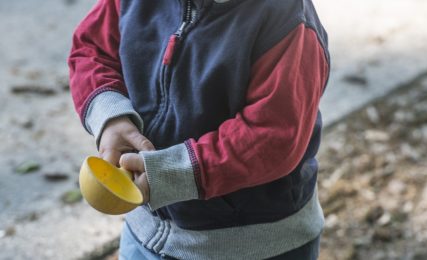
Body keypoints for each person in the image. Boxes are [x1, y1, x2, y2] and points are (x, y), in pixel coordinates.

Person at [68, 0, 330, 259]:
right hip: (143, 231)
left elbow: (272, 136)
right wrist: (111, 116)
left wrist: (173, 173)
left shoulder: (286, 21)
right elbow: (92, 47)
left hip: (249, 246)